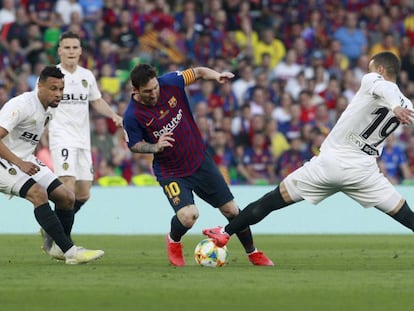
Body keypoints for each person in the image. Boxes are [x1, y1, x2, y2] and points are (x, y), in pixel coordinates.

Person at [203, 52, 414, 253]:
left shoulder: (373, 80)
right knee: (404, 213)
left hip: (329, 164)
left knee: (272, 200)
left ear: (381, 69)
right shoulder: (407, 105)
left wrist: (394, 106)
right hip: (363, 172)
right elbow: (392, 92)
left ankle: (224, 232)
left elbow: (387, 89)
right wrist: (397, 107)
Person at [123, 63, 273, 267]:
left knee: (232, 211)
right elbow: (134, 145)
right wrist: (154, 147)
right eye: (148, 91)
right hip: (171, 171)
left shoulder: (171, 82)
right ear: (135, 90)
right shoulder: (132, 115)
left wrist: (216, 75)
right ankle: (173, 240)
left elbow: (199, 72)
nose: (154, 93)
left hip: (199, 161)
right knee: (188, 216)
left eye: (155, 87)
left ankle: (253, 253)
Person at [0, 65, 104, 264]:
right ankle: (71, 252)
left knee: (66, 197)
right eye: (53, 88)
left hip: (25, 158)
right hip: (5, 161)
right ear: (39, 86)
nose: (59, 94)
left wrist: (27, 159)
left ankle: (58, 247)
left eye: (61, 89)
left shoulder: (49, 110)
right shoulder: (21, 105)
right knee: (38, 193)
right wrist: (20, 163)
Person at [41, 31, 123, 253]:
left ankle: (52, 227)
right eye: (66, 47)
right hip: (61, 137)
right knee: (67, 187)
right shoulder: (52, 77)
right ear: (59, 50)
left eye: (74, 47)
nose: (71, 51)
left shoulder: (86, 76)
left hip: (82, 140)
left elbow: (96, 101)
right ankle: (62, 243)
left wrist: (113, 115)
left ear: (80, 50)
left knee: (83, 194)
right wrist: (41, 130)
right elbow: (40, 103)